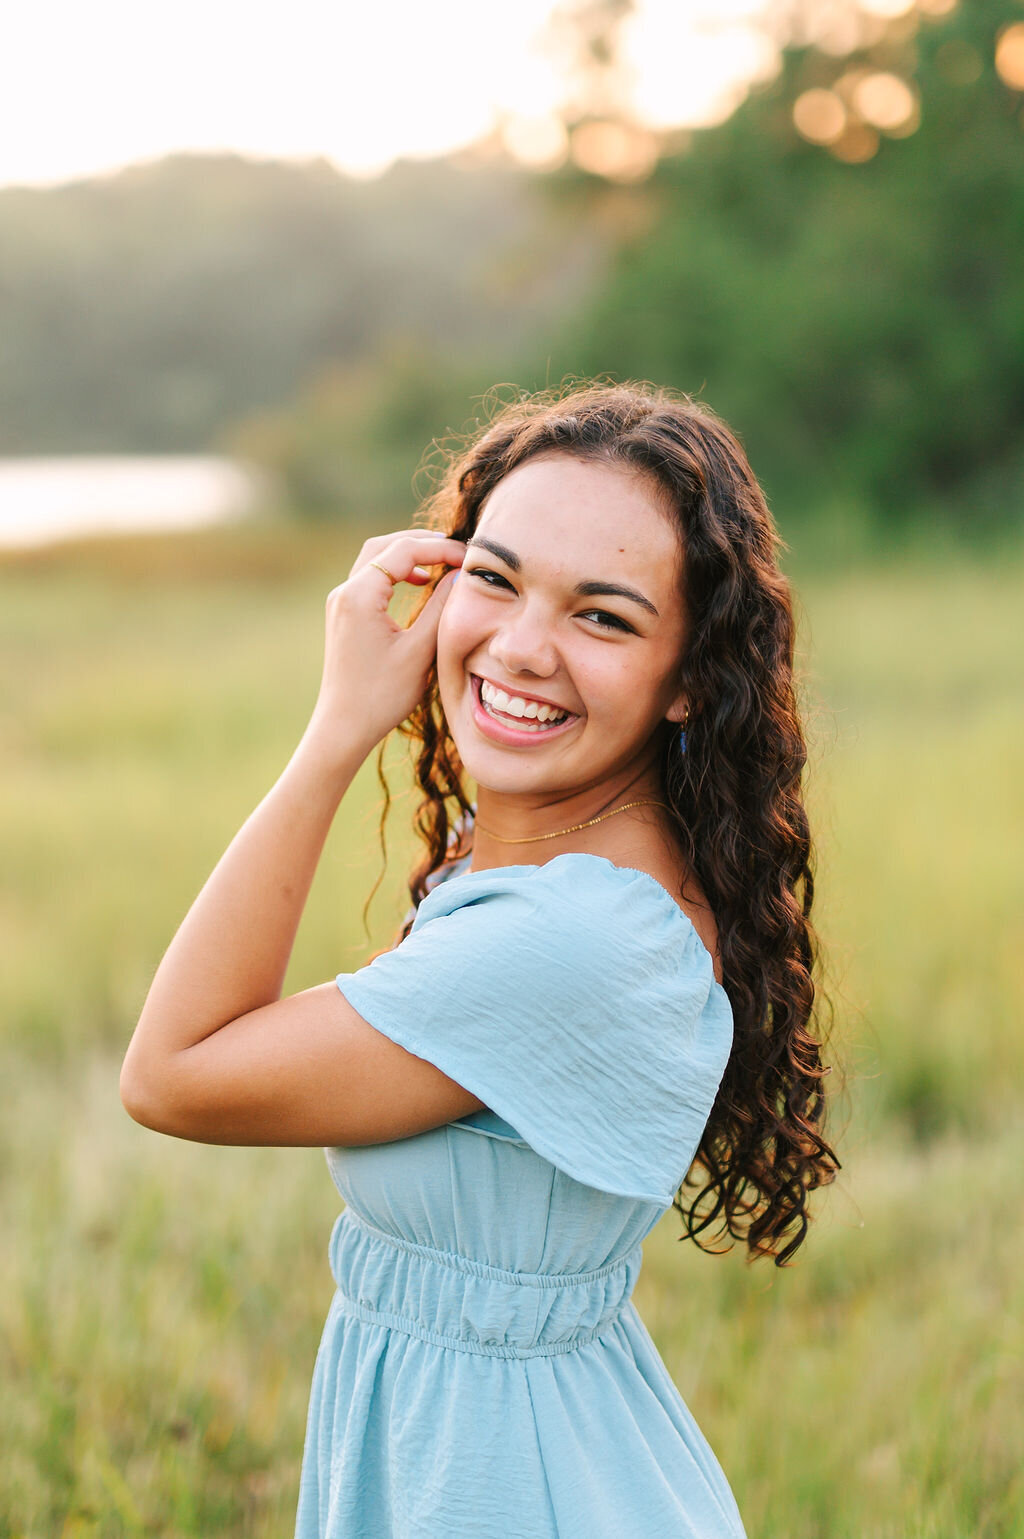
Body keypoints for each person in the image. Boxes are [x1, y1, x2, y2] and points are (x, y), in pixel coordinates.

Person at [121, 381, 839, 1538]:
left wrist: (337, 731)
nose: (519, 647)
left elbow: (172, 1073)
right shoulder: (556, 862)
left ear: (692, 677)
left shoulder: (573, 939)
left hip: (514, 1489)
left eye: (601, 617)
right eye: (494, 579)